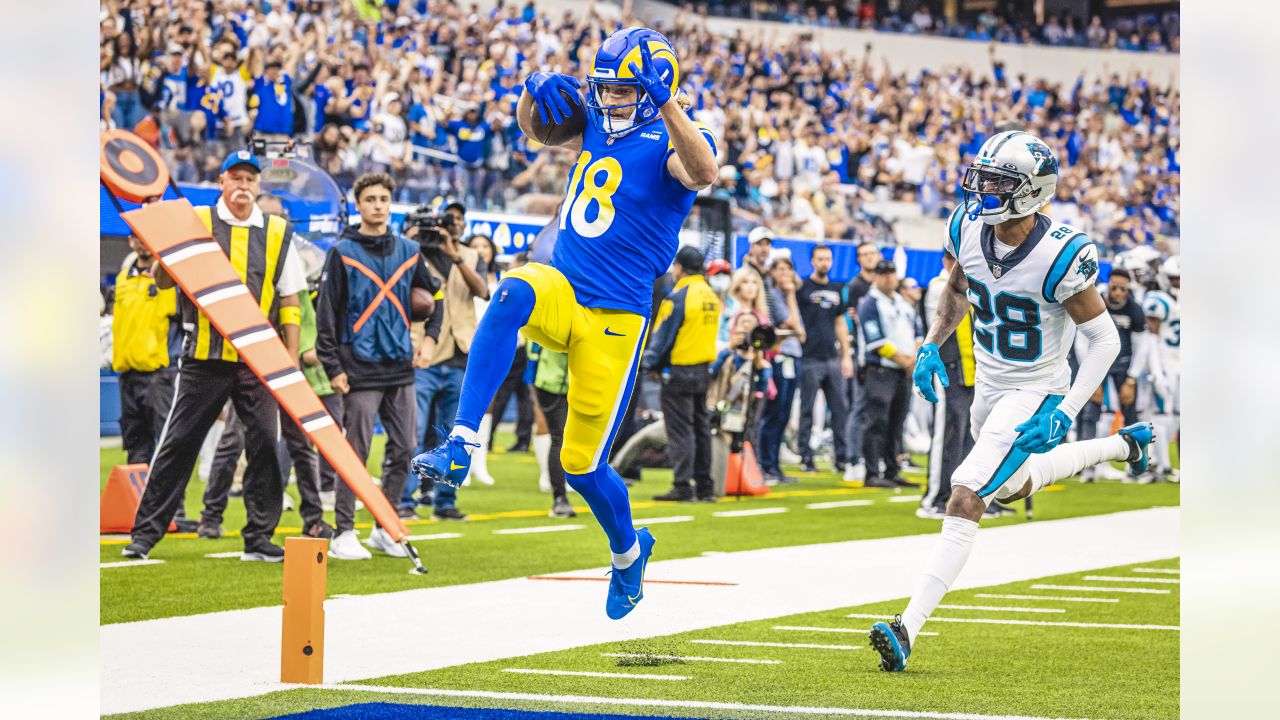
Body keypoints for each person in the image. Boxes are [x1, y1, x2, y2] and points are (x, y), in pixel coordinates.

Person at [412, 27, 718, 620]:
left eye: (626, 89)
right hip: (566, 288)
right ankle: (462, 441)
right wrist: (532, 91)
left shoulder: (676, 136)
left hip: (618, 318)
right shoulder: (603, 120)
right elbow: (535, 126)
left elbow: (702, 172)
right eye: (606, 87)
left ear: (660, 86)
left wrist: (669, 103)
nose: (610, 99)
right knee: (510, 291)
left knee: (580, 467)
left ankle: (629, 552)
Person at [868, 131, 1156, 672]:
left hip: (1035, 390)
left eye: (998, 181)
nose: (983, 188)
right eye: (983, 176)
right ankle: (1121, 447)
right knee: (1017, 483)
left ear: (1031, 191)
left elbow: (1105, 341)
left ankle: (908, 627)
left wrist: (1063, 409)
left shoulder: (1058, 254)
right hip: (990, 389)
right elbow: (957, 288)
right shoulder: (968, 227)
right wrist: (932, 343)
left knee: (965, 496)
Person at [122, 150, 307, 562]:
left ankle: (259, 537)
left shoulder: (278, 232)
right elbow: (164, 280)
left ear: (259, 186)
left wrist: (290, 358)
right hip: (203, 357)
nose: (243, 185)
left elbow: (291, 298)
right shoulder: (198, 220)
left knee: (264, 445)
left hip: (257, 360)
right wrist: (165, 244)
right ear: (222, 181)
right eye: (236, 177)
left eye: (250, 179)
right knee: (178, 443)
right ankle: (144, 536)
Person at [315, 173, 441, 560]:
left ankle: (385, 528)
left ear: (391, 202)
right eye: (370, 199)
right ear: (359, 204)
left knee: (404, 449)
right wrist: (333, 366)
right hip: (359, 368)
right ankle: (343, 532)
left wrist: (431, 339)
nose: (378, 205)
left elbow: (434, 300)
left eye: (384, 198)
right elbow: (326, 316)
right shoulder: (341, 252)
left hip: (400, 367)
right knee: (355, 453)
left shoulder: (409, 249)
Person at [404, 202, 490, 521]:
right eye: (446, 220)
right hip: (423, 352)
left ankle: (446, 501)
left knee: (455, 436)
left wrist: (455, 255)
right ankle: (405, 499)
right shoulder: (413, 252)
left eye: (455, 220)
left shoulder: (470, 256)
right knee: (411, 431)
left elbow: (482, 291)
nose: (450, 225)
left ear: (463, 225)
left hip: (460, 353)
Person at [642, 246, 721, 502]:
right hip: (702, 372)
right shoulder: (711, 295)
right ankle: (705, 486)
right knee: (701, 429)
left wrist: (648, 364)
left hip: (679, 372)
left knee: (680, 431)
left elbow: (662, 337)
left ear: (679, 268)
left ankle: (682, 485)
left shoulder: (679, 296)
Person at [111, 235, 181, 467]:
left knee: (165, 445)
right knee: (135, 445)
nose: (141, 242)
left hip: (159, 375)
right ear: (130, 242)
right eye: (135, 237)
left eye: (145, 237)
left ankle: (174, 505)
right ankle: (138, 501)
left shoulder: (169, 279)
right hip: (128, 374)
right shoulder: (123, 278)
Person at [919, 253, 977, 518]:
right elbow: (949, 312)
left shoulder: (974, 284)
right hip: (948, 367)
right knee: (947, 433)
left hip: (972, 369)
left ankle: (963, 495)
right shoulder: (938, 285)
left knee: (969, 435)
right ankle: (935, 497)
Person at [857, 260, 923, 489]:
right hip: (881, 371)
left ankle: (893, 470)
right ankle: (872, 472)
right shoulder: (870, 303)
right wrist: (905, 360)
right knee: (877, 422)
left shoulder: (903, 303)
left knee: (897, 423)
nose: (888, 278)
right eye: (883, 274)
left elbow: (917, 331)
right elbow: (876, 342)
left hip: (903, 371)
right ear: (876, 276)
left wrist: (914, 356)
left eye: (891, 273)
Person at [1078, 268, 1147, 482]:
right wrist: (1090, 375)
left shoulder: (1135, 310)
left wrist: (1132, 378)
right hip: (1097, 362)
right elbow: (1080, 340)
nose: (1117, 293)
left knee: (1130, 413)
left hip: (1123, 365)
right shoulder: (1095, 302)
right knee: (1090, 413)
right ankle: (1088, 467)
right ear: (1108, 286)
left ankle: (1135, 468)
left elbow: (1141, 346)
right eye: (1114, 287)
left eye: (1123, 289)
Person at [795, 244, 853, 473]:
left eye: (827, 259)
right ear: (812, 261)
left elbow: (840, 323)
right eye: (820, 259)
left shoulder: (837, 289)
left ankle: (841, 459)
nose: (824, 263)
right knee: (807, 411)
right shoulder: (803, 288)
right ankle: (805, 458)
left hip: (832, 358)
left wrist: (845, 355)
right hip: (809, 357)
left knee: (840, 410)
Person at [756, 254, 806, 485]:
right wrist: (792, 295)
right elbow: (790, 323)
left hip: (793, 356)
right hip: (779, 356)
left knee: (783, 414)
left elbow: (801, 334)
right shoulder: (774, 295)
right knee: (774, 413)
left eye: (789, 269)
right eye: (781, 269)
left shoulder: (787, 296)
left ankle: (774, 465)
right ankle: (766, 465)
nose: (785, 274)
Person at [841, 240, 885, 482]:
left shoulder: (884, 285)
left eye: (872, 253)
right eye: (864, 254)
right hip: (863, 355)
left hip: (883, 358)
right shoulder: (855, 287)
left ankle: (875, 460)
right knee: (859, 409)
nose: (869, 258)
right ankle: (853, 459)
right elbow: (848, 322)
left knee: (878, 413)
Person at [1140, 256, 1180, 482]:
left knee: (1177, 415)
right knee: (1161, 415)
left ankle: (1157, 460)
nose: (1179, 284)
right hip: (1165, 363)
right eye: (1175, 280)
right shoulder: (1158, 300)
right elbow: (1151, 338)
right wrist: (1156, 370)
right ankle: (1162, 466)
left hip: (1181, 362)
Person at [528, 342, 577, 518]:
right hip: (554, 382)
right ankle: (560, 497)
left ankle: (563, 493)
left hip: (568, 381)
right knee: (559, 438)